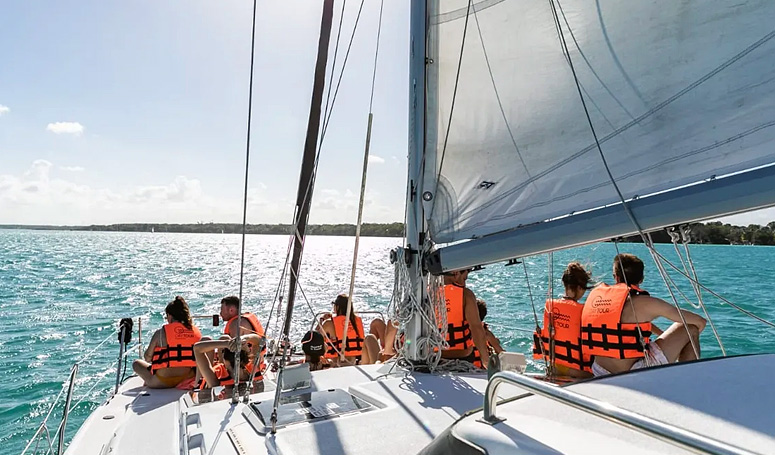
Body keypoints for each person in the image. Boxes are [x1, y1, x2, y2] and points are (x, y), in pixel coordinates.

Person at [581, 253, 707, 376]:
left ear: (616, 277)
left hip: (599, 370)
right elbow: (700, 321)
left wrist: (661, 335)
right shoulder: (646, 303)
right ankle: (688, 380)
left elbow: (621, 326)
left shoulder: (596, 299)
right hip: (634, 371)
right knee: (690, 328)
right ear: (641, 279)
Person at [533, 262, 594, 379]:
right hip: (576, 370)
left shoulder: (550, 306)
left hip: (553, 365)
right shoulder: (582, 311)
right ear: (580, 288)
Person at [132, 296, 202, 388]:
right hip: (186, 378)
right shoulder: (195, 332)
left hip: (162, 382)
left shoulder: (160, 333)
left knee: (136, 364)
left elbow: (147, 358)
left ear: (170, 315)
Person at [440, 269, 490, 368]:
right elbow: (476, 328)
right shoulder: (466, 295)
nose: (464, 283)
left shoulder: (425, 294)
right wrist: (486, 360)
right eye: (464, 278)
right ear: (456, 273)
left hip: (433, 357)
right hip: (463, 356)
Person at [319, 294, 377, 365]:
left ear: (337, 307)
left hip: (335, 362)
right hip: (354, 361)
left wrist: (321, 320)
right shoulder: (356, 321)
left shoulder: (328, 323)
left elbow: (315, 339)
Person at [193, 334, 262, 389]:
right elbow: (258, 340)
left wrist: (227, 343)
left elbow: (197, 348)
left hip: (207, 390)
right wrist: (243, 338)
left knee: (221, 338)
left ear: (225, 361)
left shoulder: (215, 380)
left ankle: (197, 383)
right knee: (225, 337)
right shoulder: (253, 368)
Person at [219, 295, 266, 373]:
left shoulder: (235, 324)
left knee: (223, 339)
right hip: (260, 361)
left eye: (221, 310)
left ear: (231, 310)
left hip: (248, 366)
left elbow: (233, 352)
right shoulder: (246, 317)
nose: (220, 314)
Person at [471, 299, 504, 369]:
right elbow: (502, 354)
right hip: (482, 371)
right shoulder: (487, 334)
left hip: (466, 370)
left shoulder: (463, 332)